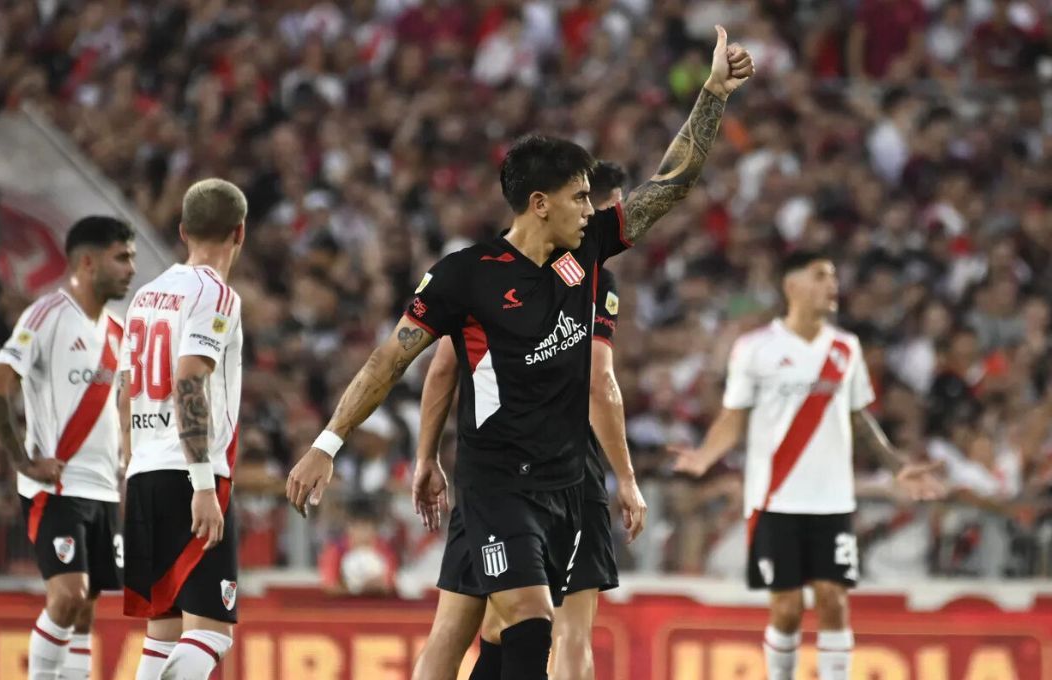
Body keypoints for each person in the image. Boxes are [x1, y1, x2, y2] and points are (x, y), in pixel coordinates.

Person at [287, 27, 752, 678]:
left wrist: (712, 94)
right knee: (530, 630)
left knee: (482, 639)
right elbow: (390, 361)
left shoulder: (586, 253)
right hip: (497, 483)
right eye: (580, 197)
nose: (592, 210)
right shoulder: (464, 276)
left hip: (568, 482)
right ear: (540, 203)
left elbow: (668, 186)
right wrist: (328, 443)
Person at [410, 161, 645, 680]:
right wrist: (625, 477)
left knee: (475, 628)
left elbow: (444, 365)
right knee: (565, 629)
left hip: (485, 475)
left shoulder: (488, 272)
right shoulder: (590, 273)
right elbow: (598, 382)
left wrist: (426, 456)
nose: (592, 218)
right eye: (592, 207)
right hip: (562, 471)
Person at [671, 250, 946, 680]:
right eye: (820, 276)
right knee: (786, 607)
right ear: (792, 285)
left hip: (832, 498)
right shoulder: (755, 348)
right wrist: (707, 454)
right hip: (775, 497)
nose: (832, 285)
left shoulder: (845, 347)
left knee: (834, 598)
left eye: (834, 277)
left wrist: (897, 466)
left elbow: (859, 416)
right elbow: (733, 415)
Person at [0, 216, 136, 680]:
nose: (131, 268)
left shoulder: (118, 330)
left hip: (104, 489)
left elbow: (120, 406)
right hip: (57, 486)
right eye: (121, 257)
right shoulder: (46, 315)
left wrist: (127, 462)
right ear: (87, 262)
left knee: (85, 608)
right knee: (67, 595)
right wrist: (23, 461)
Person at [121, 178, 247, 680]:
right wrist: (201, 484)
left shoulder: (145, 296)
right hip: (189, 473)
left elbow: (125, 386)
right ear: (240, 233)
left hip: (146, 470)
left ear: (181, 230)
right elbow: (190, 380)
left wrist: (129, 466)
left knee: (163, 634)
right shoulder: (216, 294)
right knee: (212, 631)